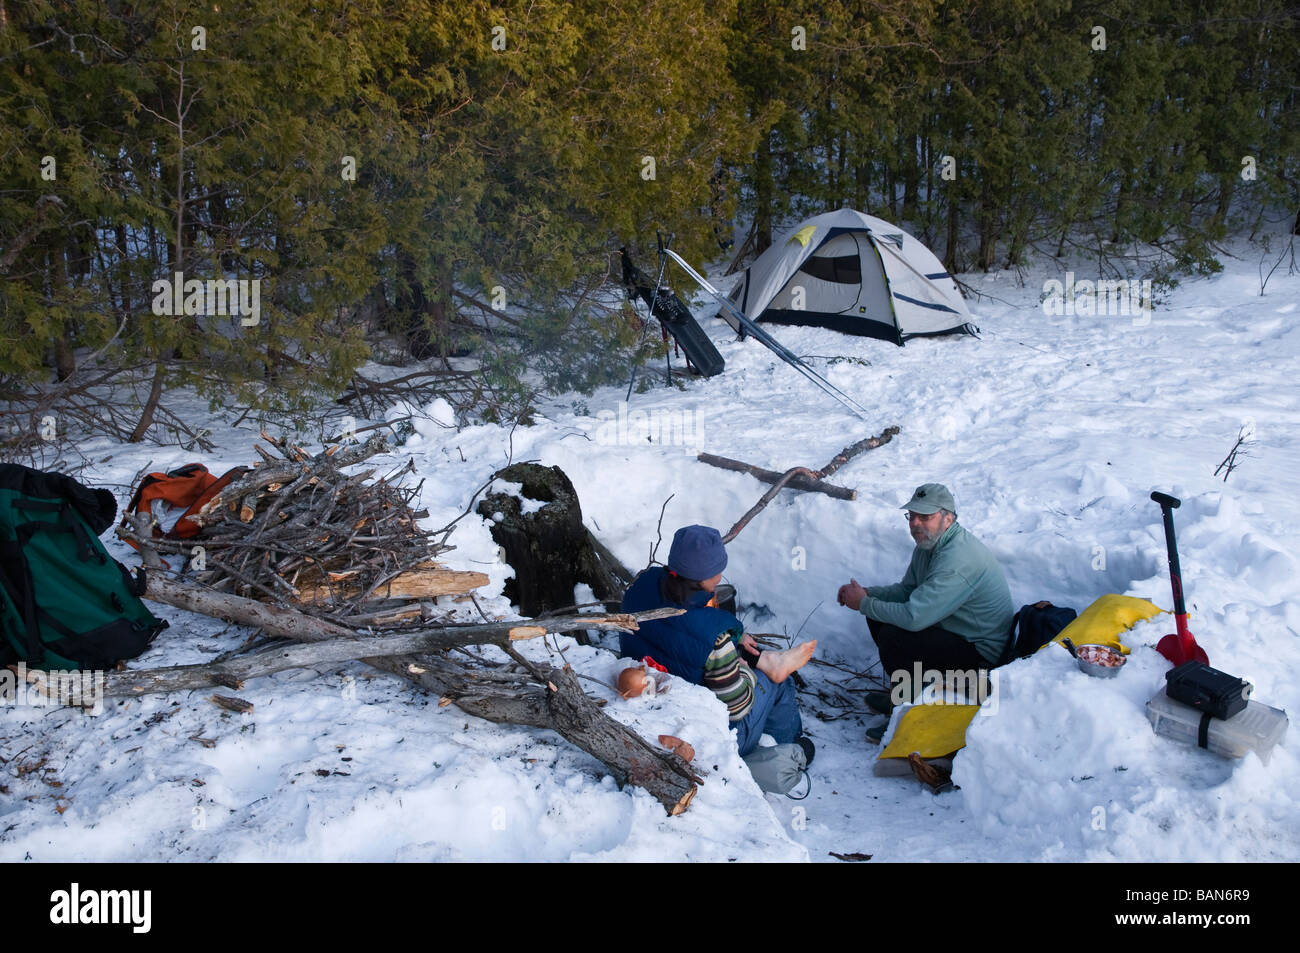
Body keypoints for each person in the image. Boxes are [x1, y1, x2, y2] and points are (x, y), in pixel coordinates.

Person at [620, 525, 816, 762]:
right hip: (710, 737)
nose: (720, 576)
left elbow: (683, 629)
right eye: (718, 570)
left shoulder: (639, 588)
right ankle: (792, 752)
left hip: (658, 709)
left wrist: (733, 637)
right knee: (777, 684)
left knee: (743, 660)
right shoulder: (714, 641)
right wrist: (744, 669)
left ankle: (766, 667)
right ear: (705, 577)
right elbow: (738, 708)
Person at [837, 483, 1013, 741]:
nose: (916, 523)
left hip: (980, 656)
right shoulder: (928, 545)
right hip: (953, 632)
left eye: (925, 517)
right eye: (912, 516)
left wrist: (863, 603)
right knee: (880, 618)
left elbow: (914, 617)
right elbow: (908, 590)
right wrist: (868, 594)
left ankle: (908, 717)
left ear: (948, 518)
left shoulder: (958, 560)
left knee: (895, 637)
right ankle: (909, 693)